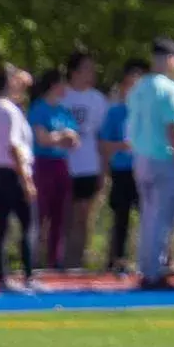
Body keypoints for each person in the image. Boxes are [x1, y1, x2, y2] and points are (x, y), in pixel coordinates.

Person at [127, 38, 174, 291]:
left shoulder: (138, 87)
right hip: (164, 156)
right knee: (163, 218)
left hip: (141, 157)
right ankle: (155, 270)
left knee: (148, 216)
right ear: (171, 59)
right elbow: (172, 125)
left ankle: (145, 267)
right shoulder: (170, 89)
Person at [0, 66, 38, 293]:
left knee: (2, 224)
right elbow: (14, 146)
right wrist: (26, 180)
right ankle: (27, 275)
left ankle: (2, 275)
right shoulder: (8, 110)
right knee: (26, 224)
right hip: (13, 171)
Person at [60, 50, 108, 270]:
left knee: (83, 217)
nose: (91, 73)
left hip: (89, 166)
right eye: (87, 68)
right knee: (64, 217)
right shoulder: (62, 96)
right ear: (74, 71)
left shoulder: (98, 99)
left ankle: (76, 262)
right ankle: (58, 260)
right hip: (64, 166)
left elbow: (101, 137)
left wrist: (103, 170)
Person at [27, 69, 79, 270]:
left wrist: (66, 137)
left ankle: (54, 259)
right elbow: (42, 139)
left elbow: (74, 139)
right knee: (41, 212)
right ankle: (32, 258)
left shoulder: (63, 111)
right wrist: (61, 136)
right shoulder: (38, 109)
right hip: (43, 164)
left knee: (60, 214)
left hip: (61, 164)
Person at [99, 60, 147, 274]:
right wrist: (121, 146)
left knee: (150, 214)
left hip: (145, 169)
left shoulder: (148, 113)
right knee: (121, 216)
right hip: (122, 170)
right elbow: (104, 144)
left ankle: (153, 258)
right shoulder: (115, 112)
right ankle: (117, 259)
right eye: (129, 85)